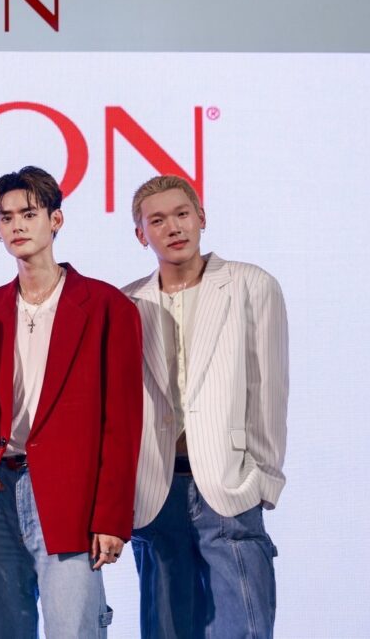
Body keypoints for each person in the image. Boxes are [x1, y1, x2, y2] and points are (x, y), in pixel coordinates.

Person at [0, 166, 143, 638]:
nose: (17, 226)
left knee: (74, 628)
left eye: (28, 214)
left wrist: (111, 517)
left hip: (70, 495)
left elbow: (123, 423)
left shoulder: (107, 306)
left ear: (55, 220)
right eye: (6, 217)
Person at [123, 174, 287, 638]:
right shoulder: (127, 302)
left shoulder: (250, 284)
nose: (174, 227)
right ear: (141, 234)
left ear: (201, 217)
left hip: (229, 484)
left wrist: (262, 478)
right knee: (166, 629)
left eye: (182, 214)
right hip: (156, 490)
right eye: (158, 220)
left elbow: (269, 388)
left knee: (244, 628)